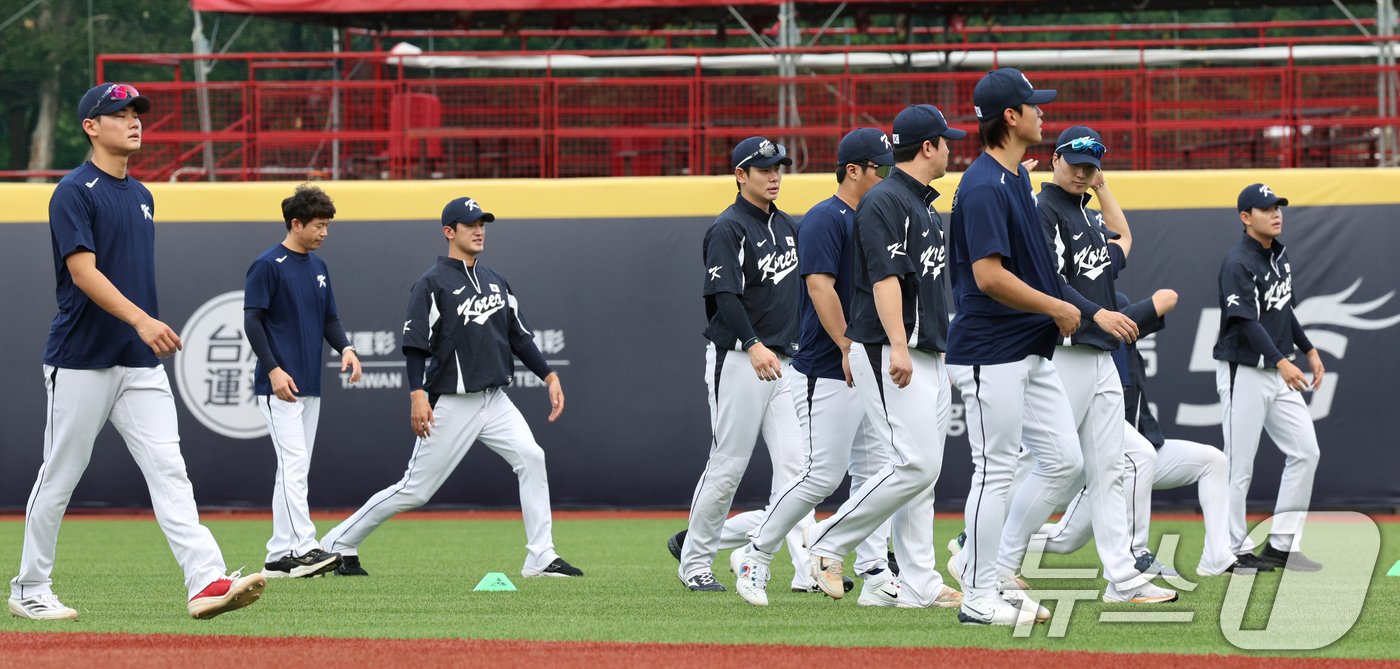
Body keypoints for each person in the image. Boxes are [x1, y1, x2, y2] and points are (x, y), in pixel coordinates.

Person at [10, 83, 265, 621]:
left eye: (136, 113)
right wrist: (143, 319)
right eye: (118, 114)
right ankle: (30, 588)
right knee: (60, 473)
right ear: (90, 127)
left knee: (170, 469)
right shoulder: (73, 191)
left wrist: (141, 329)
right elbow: (83, 274)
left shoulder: (143, 194)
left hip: (138, 362)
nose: (133, 121)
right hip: (81, 357)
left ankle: (205, 581)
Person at [320, 196, 581, 579]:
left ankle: (540, 557)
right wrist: (417, 394)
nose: (479, 230)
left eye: (483, 223)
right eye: (470, 224)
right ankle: (335, 543)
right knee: (415, 490)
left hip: (494, 399)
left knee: (532, 457)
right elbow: (414, 345)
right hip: (452, 402)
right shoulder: (432, 282)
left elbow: (519, 337)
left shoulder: (495, 280)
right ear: (449, 232)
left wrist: (549, 376)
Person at [729, 127, 930, 608]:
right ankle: (755, 555)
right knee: (822, 476)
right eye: (879, 168)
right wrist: (846, 344)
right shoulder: (825, 217)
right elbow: (821, 287)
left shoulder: (877, 215)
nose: (886, 175)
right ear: (853, 170)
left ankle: (874, 570)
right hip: (825, 366)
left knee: (876, 471)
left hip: (866, 363)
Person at [995, 125, 1177, 604]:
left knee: (1110, 467)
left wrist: (1102, 188)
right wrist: (1098, 312)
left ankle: (1123, 579)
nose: (1081, 169)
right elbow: (1049, 282)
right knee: (1051, 464)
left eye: (1091, 163)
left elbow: (1123, 241)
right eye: (1075, 161)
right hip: (1063, 353)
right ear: (1055, 159)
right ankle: (990, 558)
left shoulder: (1088, 215)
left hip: (1097, 358)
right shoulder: (1044, 209)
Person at [942, 68, 1094, 627]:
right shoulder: (983, 184)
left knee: (1062, 460)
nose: (1042, 113)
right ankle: (980, 592)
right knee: (994, 470)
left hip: (1025, 349)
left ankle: (994, 570)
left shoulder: (1010, 179)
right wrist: (1055, 308)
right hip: (989, 349)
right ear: (1010, 116)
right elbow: (987, 276)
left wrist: (1071, 309)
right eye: (1034, 105)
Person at [672, 137, 808, 593]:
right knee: (728, 464)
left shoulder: (787, 226)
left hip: (783, 362)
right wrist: (751, 343)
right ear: (740, 175)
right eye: (764, 168)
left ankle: (808, 572)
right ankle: (695, 563)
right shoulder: (727, 228)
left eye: (779, 168)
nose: (774, 176)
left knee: (798, 468)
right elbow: (723, 296)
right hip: (740, 357)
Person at [1031, 290, 1241, 577]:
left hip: (1137, 455)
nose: (1122, 326)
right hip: (1101, 463)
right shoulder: (1083, 353)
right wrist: (1102, 316)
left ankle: (1217, 556)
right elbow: (1162, 300)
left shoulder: (1123, 335)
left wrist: (1116, 315)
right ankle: (987, 540)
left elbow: (1168, 297)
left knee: (1212, 461)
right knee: (1065, 540)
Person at [244, 184, 362, 579]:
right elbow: (252, 320)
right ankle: (306, 547)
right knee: (294, 463)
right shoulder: (267, 264)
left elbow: (330, 318)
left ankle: (278, 555)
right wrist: (273, 369)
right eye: (318, 225)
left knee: (294, 467)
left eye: (327, 225)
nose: (324, 232)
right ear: (296, 223)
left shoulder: (319, 267)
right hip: (279, 385)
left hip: (310, 383)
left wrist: (345, 347)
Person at [1212, 184, 1324, 572]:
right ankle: (1230, 550)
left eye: (1278, 207)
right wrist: (1281, 360)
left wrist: (1307, 349)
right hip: (1244, 370)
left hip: (1278, 371)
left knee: (1306, 451)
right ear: (1246, 218)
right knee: (1237, 465)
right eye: (1265, 209)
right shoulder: (1237, 262)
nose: (1276, 214)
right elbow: (1244, 321)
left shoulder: (1278, 254)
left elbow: (1283, 308)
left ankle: (1281, 545)